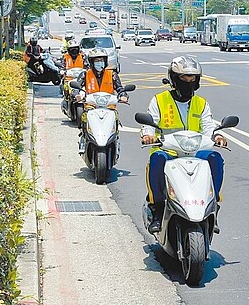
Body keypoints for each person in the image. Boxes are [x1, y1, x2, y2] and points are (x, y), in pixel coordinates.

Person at [140, 56, 228, 234]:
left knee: (215, 158)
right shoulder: (159, 100)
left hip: (195, 152)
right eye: (183, 78)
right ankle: (156, 209)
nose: (188, 82)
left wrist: (217, 135)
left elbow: (208, 126)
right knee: (156, 160)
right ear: (174, 78)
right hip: (167, 150)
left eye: (192, 78)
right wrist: (148, 135)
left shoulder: (201, 103)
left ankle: (213, 207)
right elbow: (149, 123)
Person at [74, 48, 128, 153]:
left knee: (115, 121)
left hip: (109, 107)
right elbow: (76, 88)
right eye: (96, 61)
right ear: (91, 62)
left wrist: (123, 95)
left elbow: (120, 88)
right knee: (83, 118)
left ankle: (115, 141)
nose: (100, 63)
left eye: (101, 60)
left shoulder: (112, 74)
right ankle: (83, 139)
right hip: (91, 106)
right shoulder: (85, 74)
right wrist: (77, 95)